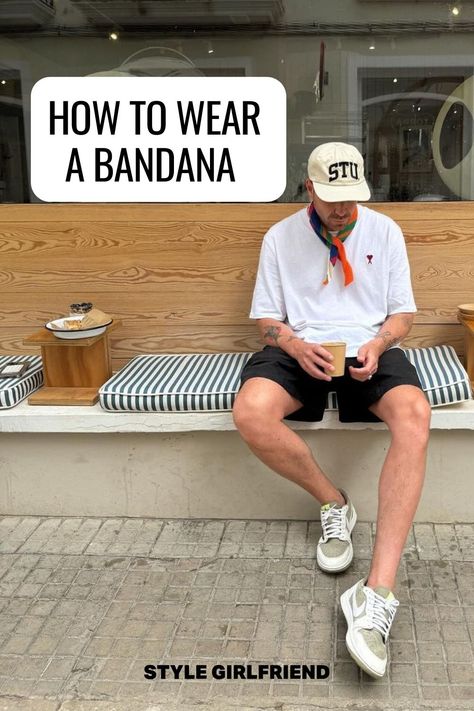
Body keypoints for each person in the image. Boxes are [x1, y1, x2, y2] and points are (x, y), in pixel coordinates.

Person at [232, 142, 431, 679]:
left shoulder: (385, 231)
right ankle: (334, 503)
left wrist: (381, 343)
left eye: (351, 199)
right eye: (331, 198)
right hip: (304, 347)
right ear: (310, 187)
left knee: (414, 413)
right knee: (251, 411)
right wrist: (294, 346)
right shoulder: (280, 237)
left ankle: (376, 594)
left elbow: (403, 314)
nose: (342, 210)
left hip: (368, 347)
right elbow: (268, 322)